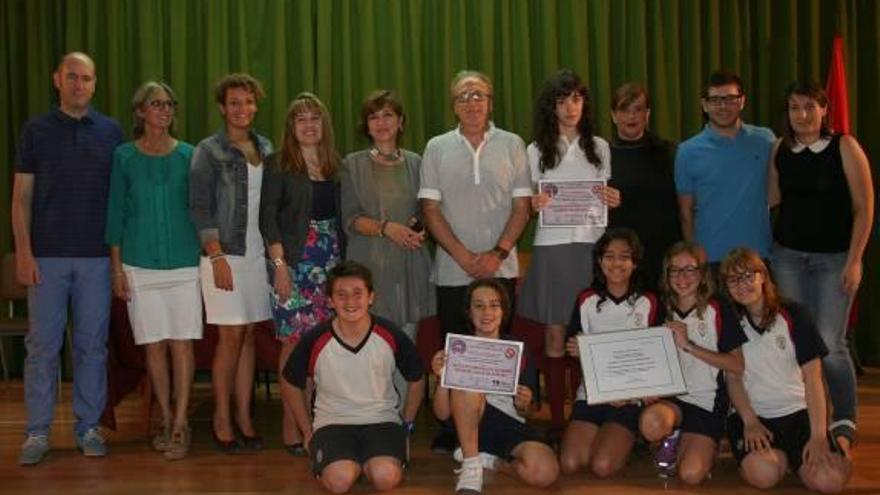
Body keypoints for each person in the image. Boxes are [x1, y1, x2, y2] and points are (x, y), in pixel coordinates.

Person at [12, 52, 124, 465]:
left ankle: (88, 427)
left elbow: (120, 201)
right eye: (72, 77)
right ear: (57, 79)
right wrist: (24, 252)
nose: (80, 85)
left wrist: (116, 263)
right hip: (47, 259)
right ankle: (37, 432)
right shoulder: (36, 130)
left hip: (96, 259)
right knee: (42, 347)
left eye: (87, 78)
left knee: (92, 347)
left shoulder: (112, 131)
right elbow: (20, 197)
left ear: (95, 84)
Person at [419, 70, 532, 452]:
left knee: (496, 352)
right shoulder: (436, 147)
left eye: (479, 95)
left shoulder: (513, 144)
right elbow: (430, 209)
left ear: (490, 102)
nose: (472, 102)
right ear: (454, 105)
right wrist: (465, 256)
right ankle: (456, 432)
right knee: (458, 354)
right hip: (454, 270)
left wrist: (497, 253)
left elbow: (522, 205)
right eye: (464, 96)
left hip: (502, 268)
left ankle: (498, 429)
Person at [768, 81, 874, 455]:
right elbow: (772, 199)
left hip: (834, 260)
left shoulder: (845, 146)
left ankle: (843, 418)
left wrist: (855, 259)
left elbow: (864, 206)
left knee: (830, 342)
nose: (802, 115)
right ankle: (805, 414)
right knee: (798, 341)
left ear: (824, 109)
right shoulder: (781, 149)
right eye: (795, 108)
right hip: (788, 258)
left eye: (809, 107)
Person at [517, 69, 619, 440]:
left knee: (593, 332)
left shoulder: (601, 147)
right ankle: (559, 421)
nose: (570, 107)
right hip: (553, 246)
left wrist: (613, 199)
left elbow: (605, 197)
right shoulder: (533, 150)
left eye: (576, 98)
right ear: (551, 106)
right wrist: (533, 203)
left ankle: (595, 412)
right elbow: (526, 203)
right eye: (562, 100)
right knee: (556, 335)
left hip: (593, 246)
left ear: (585, 103)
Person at [105, 81, 202, 460]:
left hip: (184, 264)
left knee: (182, 344)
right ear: (140, 112)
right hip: (139, 265)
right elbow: (116, 212)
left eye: (168, 104)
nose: (164, 110)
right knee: (154, 346)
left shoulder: (190, 156)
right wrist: (116, 268)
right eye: (155, 104)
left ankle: (180, 423)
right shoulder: (124, 157)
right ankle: (163, 415)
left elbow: (199, 211)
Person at [283, 261, 425, 494]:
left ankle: (368, 460)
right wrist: (307, 431)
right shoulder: (316, 338)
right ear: (330, 301)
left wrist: (406, 426)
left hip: (382, 420)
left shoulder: (389, 333)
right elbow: (290, 382)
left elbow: (417, 377)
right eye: (341, 295)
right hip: (333, 422)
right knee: (339, 481)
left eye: (358, 294)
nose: (350, 302)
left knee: (385, 477)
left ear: (371, 297)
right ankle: (350, 461)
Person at [722, 248, 851, 493]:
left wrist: (818, 436)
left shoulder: (794, 314)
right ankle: (781, 458)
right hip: (754, 415)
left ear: (763, 276)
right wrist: (749, 421)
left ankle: (837, 442)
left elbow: (813, 379)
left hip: (797, 412)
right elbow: (734, 378)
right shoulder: (729, 320)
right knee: (764, 475)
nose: (742, 285)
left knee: (830, 482)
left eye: (749, 276)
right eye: (733, 279)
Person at [190, 73, 273, 453]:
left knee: (250, 336)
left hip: (258, 256)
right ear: (223, 108)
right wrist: (216, 253)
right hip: (224, 255)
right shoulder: (208, 150)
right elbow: (200, 207)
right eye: (235, 103)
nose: (243, 109)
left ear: (256, 105)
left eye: (248, 102)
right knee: (229, 338)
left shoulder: (266, 146)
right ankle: (222, 418)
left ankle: (244, 416)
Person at [260, 92, 344, 455]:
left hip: (331, 264)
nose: (309, 125)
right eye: (301, 119)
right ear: (291, 128)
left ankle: (306, 425)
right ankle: (293, 427)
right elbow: (268, 219)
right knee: (293, 343)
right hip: (294, 261)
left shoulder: (337, 165)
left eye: (315, 118)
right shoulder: (277, 164)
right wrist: (280, 267)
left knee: (319, 345)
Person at [431, 279, 559, 495]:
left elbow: (528, 412)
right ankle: (472, 468)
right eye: (478, 305)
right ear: (469, 312)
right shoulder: (457, 349)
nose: (486, 312)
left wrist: (523, 403)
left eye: (494, 305)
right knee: (470, 386)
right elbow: (442, 414)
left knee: (545, 472)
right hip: (469, 421)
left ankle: (489, 461)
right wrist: (441, 377)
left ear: (504, 311)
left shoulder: (519, 351)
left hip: (508, 422)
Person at [637, 242, 745, 483]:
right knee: (650, 424)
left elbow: (737, 365)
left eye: (690, 269)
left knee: (690, 475)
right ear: (666, 274)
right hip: (672, 399)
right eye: (674, 270)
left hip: (706, 402)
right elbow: (647, 356)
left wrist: (688, 345)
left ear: (702, 273)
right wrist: (646, 387)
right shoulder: (660, 308)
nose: (682, 277)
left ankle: (694, 444)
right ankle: (671, 436)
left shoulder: (719, 308)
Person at [560, 228, 661, 478]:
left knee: (601, 466)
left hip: (630, 399)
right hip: (592, 395)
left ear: (635, 262)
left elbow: (657, 358)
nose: (617, 263)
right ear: (599, 261)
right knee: (571, 464)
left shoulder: (649, 301)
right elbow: (573, 347)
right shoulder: (585, 299)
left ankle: (630, 439)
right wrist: (573, 349)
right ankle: (611, 439)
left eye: (625, 256)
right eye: (609, 256)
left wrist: (631, 393)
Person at [340, 89, 434, 341]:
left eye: (388, 115)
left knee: (405, 344)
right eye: (374, 117)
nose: (381, 123)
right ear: (366, 126)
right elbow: (350, 219)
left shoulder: (416, 162)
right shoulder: (352, 164)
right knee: (370, 345)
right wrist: (387, 228)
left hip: (408, 264)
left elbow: (425, 211)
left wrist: (421, 229)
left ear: (401, 122)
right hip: (369, 265)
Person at [675, 70, 775, 271]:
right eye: (715, 100)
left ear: (742, 101)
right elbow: (686, 212)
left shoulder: (766, 140)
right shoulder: (687, 151)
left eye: (730, 99)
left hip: (758, 255)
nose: (723, 106)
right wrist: (695, 256)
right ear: (704, 105)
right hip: (711, 258)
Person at [607, 82, 681, 289]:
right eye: (624, 109)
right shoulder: (601, 155)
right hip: (621, 260)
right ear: (613, 115)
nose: (632, 116)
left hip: (663, 255)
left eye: (638, 109)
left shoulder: (669, 152)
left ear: (647, 114)